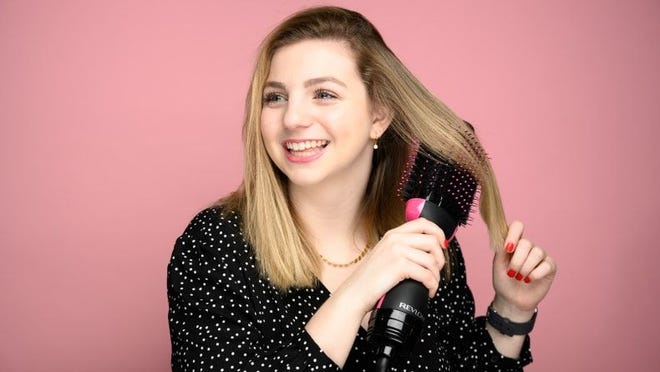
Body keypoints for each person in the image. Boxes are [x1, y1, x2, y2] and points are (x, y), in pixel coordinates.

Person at [167, 6, 557, 371]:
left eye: (324, 94)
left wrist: (512, 311)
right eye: (276, 97)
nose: (293, 117)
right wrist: (357, 292)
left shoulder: (423, 245)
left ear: (379, 116)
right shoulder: (215, 244)